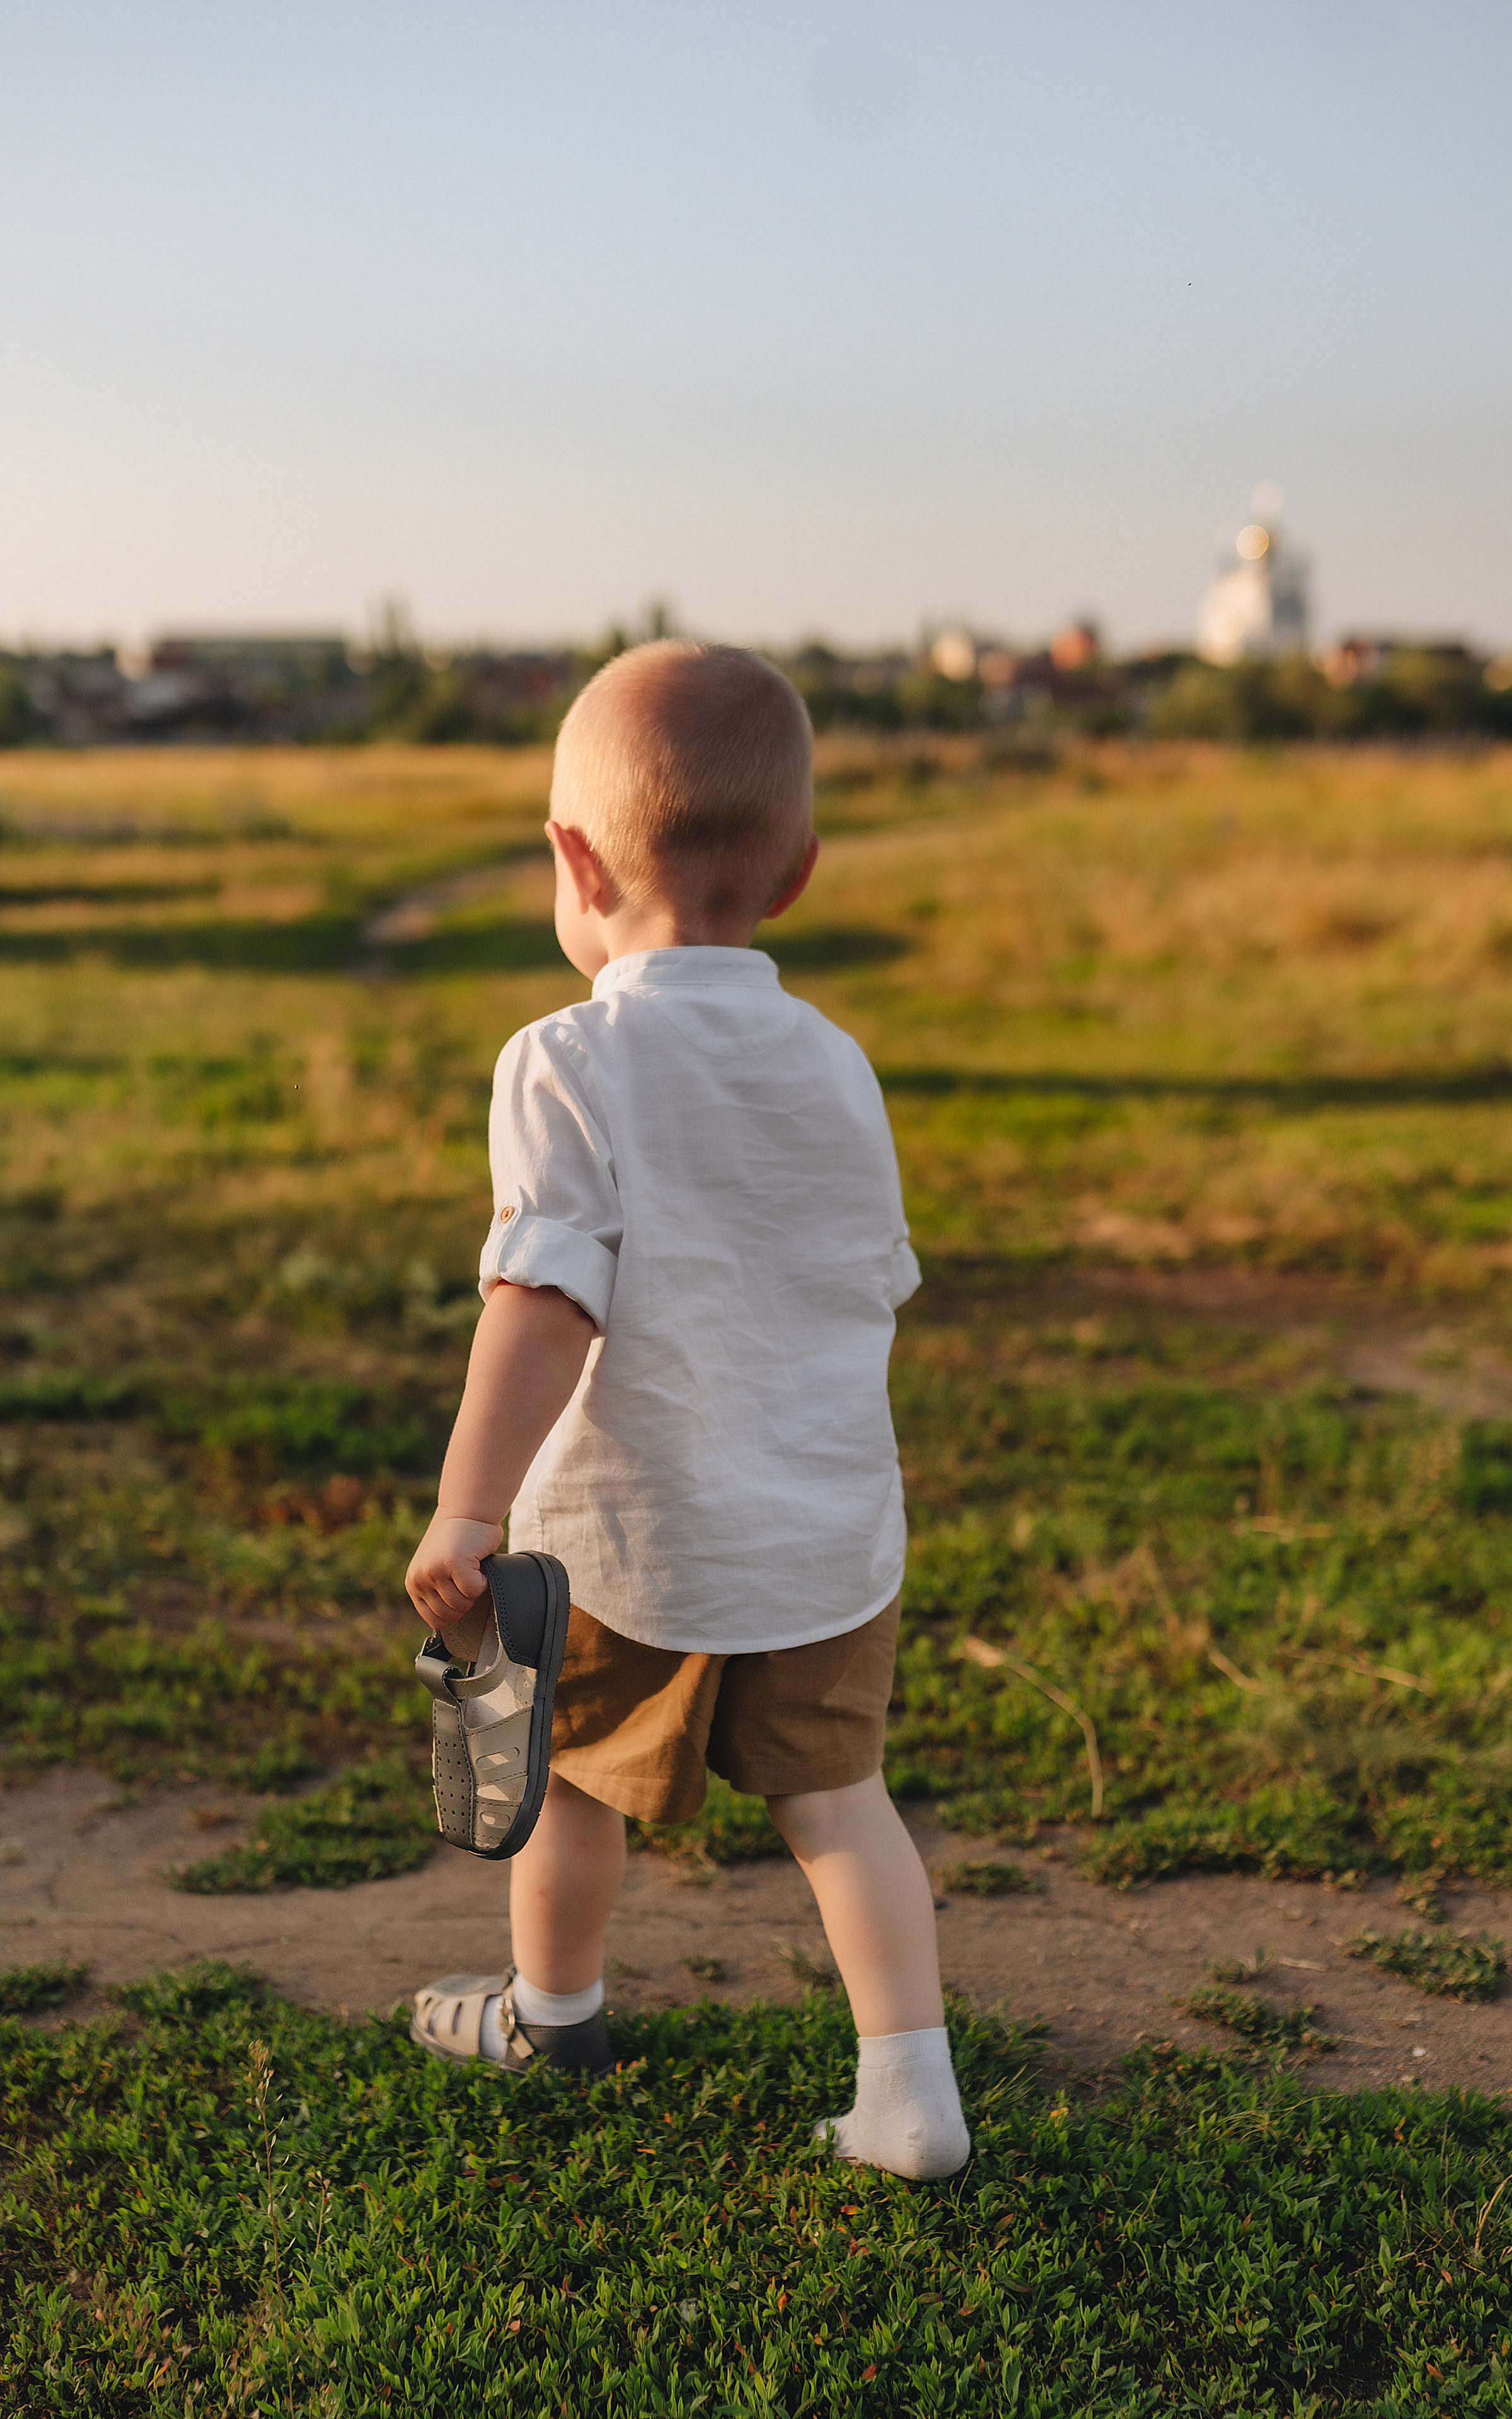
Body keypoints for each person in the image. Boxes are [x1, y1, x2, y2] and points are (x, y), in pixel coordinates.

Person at [404, 640, 969, 2181]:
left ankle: (553, 2015)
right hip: (826, 1520)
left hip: (628, 1530)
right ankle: (908, 2092)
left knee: (576, 1778)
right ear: (794, 873)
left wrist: (467, 1509)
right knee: (838, 1799)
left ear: (572, 861)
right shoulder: (838, 1064)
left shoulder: (567, 1057)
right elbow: (873, 1277)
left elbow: (540, 1301)